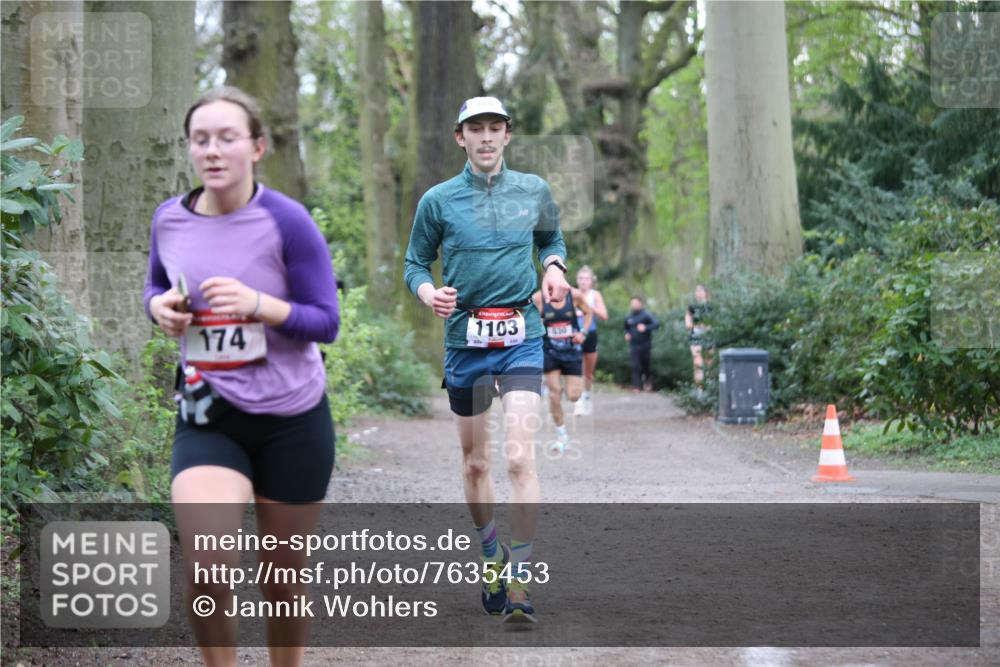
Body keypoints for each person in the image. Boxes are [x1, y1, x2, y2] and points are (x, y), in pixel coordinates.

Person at [143, 86, 340, 667]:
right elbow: (156, 286)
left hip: (293, 419)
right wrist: (158, 308)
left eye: (227, 138)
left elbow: (324, 321)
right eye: (200, 139)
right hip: (209, 413)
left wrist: (260, 304)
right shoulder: (170, 219)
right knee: (207, 568)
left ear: (256, 147)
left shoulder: (287, 221)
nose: (212, 150)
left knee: (281, 578)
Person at [403, 96, 570, 625]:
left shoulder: (533, 190)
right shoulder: (438, 200)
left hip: (521, 333)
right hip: (465, 339)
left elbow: (551, 240)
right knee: (476, 463)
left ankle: (520, 577)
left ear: (507, 134)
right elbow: (414, 263)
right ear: (460, 137)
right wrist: (429, 292)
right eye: (476, 128)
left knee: (520, 459)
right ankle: (490, 554)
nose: (487, 137)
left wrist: (555, 267)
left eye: (495, 127)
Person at [531, 284, 592, 452]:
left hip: (571, 351)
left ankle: (570, 388)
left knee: (573, 396)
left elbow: (589, 312)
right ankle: (562, 434)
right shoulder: (539, 298)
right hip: (550, 351)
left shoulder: (575, 296)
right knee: (554, 393)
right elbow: (530, 319)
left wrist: (583, 333)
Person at [572, 266, 607, 415]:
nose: (583, 282)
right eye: (581, 278)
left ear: (591, 281)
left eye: (586, 279)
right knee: (576, 368)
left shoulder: (595, 295)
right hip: (574, 335)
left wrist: (588, 307)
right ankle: (578, 402)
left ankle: (586, 397)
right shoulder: (573, 294)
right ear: (577, 280)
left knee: (588, 372)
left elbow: (604, 316)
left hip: (591, 335)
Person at [624, 296, 659, 392]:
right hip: (633, 345)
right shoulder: (628, 317)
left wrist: (646, 327)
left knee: (645, 364)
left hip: (645, 344)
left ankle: (647, 381)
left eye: (636, 303)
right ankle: (636, 386)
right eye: (632, 303)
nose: (634, 305)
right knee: (635, 365)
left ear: (640, 304)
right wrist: (626, 334)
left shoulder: (646, 315)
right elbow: (626, 328)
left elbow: (656, 324)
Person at [685, 284, 712, 391]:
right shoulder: (691, 307)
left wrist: (708, 326)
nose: (699, 293)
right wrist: (696, 325)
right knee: (697, 363)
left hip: (709, 337)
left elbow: (716, 322)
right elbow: (687, 323)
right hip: (696, 337)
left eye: (701, 291)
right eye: (697, 291)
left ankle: (709, 388)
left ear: (706, 293)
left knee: (709, 363)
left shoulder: (711, 306)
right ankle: (699, 390)